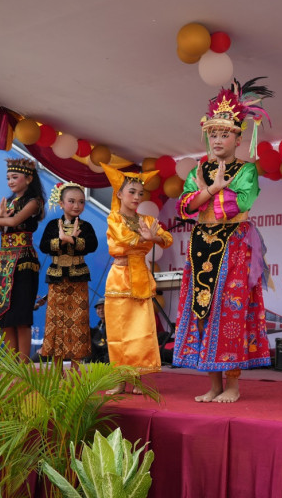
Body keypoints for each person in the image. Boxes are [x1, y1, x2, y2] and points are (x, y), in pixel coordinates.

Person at [173, 77, 273, 403]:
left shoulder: (246, 170)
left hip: (233, 245)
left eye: (224, 134)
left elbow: (239, 204)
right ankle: (214, 384)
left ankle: (232, 385)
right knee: (203, 309)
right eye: (212, 134)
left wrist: (209, 193)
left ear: (238, 137)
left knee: (229, 311)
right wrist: (211, 189)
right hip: (202, 244)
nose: (217, 139)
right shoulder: (199, 170)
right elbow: (185, 206)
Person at [100, 166, 172, 393]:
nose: (137, 197)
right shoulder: (114, 217)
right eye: (132, 192)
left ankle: (138, 380)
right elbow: (122, 239)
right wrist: (146, 238)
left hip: (140, 276)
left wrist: (156, 236)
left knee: (140, 330)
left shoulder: (148, 219)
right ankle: (120, 381)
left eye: (140, 193)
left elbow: (167, 238)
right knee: (119, 331)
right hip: (120, 277)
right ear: (119, 194)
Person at [0, 158, 45, 360]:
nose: (10, 181)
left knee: (21, 316)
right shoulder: (7, 203)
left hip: (23, 260)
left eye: (14, 177)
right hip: (3, 262)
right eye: (8, 177)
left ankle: (23, 363)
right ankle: (11, 364)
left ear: (28, 178)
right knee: (4, 315)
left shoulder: (34, 202)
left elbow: (15, 220)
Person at [38, 182, 98, 373]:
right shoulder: (51, 225)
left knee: (78, 323)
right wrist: (60, 240)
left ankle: (76, 369)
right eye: (71, 201)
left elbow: (92, 245)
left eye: (81, 202)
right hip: (56, 278)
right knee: (55, 322)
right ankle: (56, 371)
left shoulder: (86, 226)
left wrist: (72, 240)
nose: (76, 206)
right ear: (61, 203)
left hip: (78, 278)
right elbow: (44, 246)